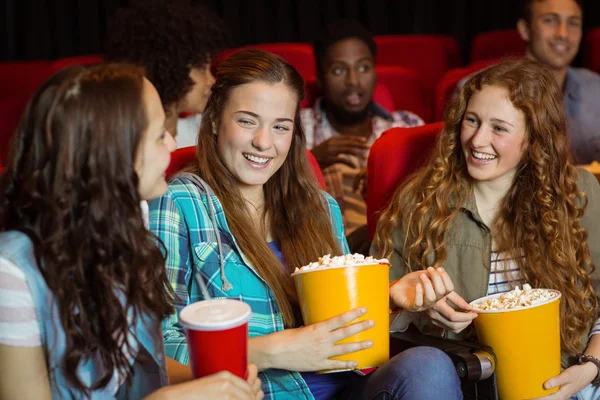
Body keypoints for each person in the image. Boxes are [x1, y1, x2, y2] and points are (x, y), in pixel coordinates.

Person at [149, 49, 462, 399]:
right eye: (247, 121)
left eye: (280, 126)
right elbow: (155, 349)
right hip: (263, 392)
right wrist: (272, 350)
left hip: (349, 388)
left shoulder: (321, 207)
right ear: (214, 121)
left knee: (429, 365)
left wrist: (389, 299)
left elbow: (344, 330)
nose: (263, 142)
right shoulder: (178, 203)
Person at [0, 64, 262, 400]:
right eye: (158, 134)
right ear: (112, 154)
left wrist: (216, 383)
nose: (172, 143)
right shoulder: (12, 273)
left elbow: (135, 369)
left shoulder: (128, 217)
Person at [374, 58, 600, 399]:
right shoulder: (419, 201)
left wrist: (591, 367)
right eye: (472, 121)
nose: (478, 140)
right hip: (465, 382)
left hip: (572, 378)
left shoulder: (579, 193)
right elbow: (375, 311)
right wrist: (409, 303)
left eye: (499, 128)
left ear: (533, 138)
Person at [300, 20, 424, 253]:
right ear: (320, 77)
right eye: (339, 70)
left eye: (363, 67)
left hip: (401, 250)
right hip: (322, 254)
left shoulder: (407, 126)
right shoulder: (294, 128)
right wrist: (310, 162)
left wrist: (389, 182)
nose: (353, 81)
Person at [459, 0, 600, 164]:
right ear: (525, 30)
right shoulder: (478, 90)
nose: (563, 33)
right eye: (550, 20)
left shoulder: (597, 89)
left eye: (573, 23)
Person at [104, 0, 227, 148]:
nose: (212, 81)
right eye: (201, 69)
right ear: (168, 69)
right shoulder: (129, 146)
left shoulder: (206, 130)